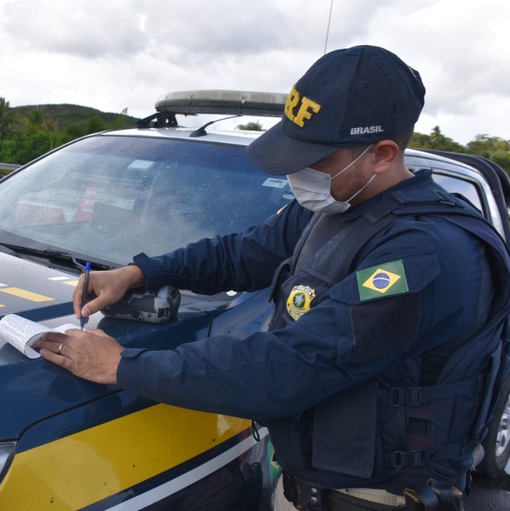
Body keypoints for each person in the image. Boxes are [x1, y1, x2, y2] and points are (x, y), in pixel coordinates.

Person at [33, 45, 510, 511]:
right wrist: (141, 272)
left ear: (382, 154)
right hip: (307, 485)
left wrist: (120, 365)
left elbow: (292, 367)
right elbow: (241, 253)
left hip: (376, 498)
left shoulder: (424, 252)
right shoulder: (341, 205)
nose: (296, 173)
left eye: (313, 159)